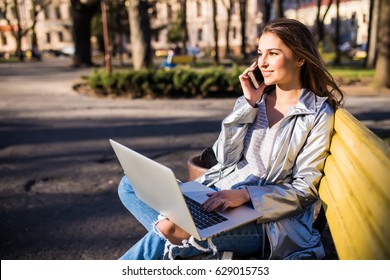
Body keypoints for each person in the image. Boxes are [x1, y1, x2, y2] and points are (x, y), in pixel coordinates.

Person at [117, 18, 344, 260]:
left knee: (171, 227)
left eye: (273, 53)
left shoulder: (317, 114)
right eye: (260, 53)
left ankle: (177, 239)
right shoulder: (255, 100)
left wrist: (246, 195)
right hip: (216, 195)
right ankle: (181, 243)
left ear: (300, 59)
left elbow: (304, 190)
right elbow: (225, 158)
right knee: (129, 185)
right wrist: (247, 105)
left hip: (265, 222)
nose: (263, 63)